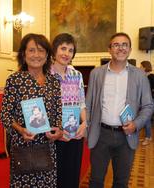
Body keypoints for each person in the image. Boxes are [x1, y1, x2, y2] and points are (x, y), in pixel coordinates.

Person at [86, 32, 154, 188]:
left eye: (125, 45)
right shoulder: (96, 73)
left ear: (130, 50)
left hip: (127, 137)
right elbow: (88, 104)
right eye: (116, 45)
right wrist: (87, 128)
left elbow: (148, 105)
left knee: (121, 182)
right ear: (109, 49)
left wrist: (136, 124)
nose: (121, 48)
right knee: (95, 181)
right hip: (100, 135)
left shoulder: (140, 75)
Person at [0, 33, 63, 187]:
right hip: (23, 146)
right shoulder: (15, 80)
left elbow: (58, 112)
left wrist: (59, 131)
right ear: (23, 54)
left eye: (41, 50)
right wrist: (21, 130)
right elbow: (5, 115)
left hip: (48, 148)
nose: (36, 55)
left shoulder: (54, 81)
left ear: (47, 55)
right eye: (32, 50)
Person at [50, 33, 87, 188]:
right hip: (53, 135)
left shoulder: (76, 75)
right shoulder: (45, 75)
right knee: (54, 178)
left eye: (70, 50)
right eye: (63, 48)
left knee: (72, 176)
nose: (66, 53)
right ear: (54, 50)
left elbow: (81, 104)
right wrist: (55, 131)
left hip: (74, 133)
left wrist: (85, 123)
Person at [140, 60, 154, 145]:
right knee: (146, 119)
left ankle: (148, 138)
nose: (140, 68)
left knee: (147, 119)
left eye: (141, 66)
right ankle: (148, 136)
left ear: (145, 67)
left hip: (151, 100)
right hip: (146, 101)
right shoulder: (144, 77)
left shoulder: (151, 77)